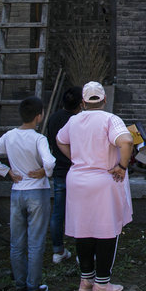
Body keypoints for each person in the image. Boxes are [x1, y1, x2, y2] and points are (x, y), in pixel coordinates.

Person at [56, 81, 134, 291]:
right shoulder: (110, 119)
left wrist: (75, 158)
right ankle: (101, 284)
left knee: (83, 230)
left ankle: (86, 280)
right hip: (102, 181)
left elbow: (60, 140)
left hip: (77, 181)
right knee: (107, 232)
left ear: (83, 102)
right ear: (104, 100)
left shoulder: (74, 121)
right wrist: (122, 166)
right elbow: (126, 141)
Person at [0, 96, 55, 291]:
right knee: (36, 242)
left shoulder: (9, 136)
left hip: (17, 191)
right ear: (38, 116)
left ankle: (20, 286)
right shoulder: (39, 138)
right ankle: (34, 286)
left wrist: (6, 172)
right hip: (37, 192)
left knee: (17, 242)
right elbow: (49, 162)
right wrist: (44, 172)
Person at [45, 86, 82, 264]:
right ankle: (82, 252)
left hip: (59, 171)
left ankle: (57, 251)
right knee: (81, 213)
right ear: (81, 103)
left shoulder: (53, 119)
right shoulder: (79, 121)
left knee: (58, 213)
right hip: (77, 171)